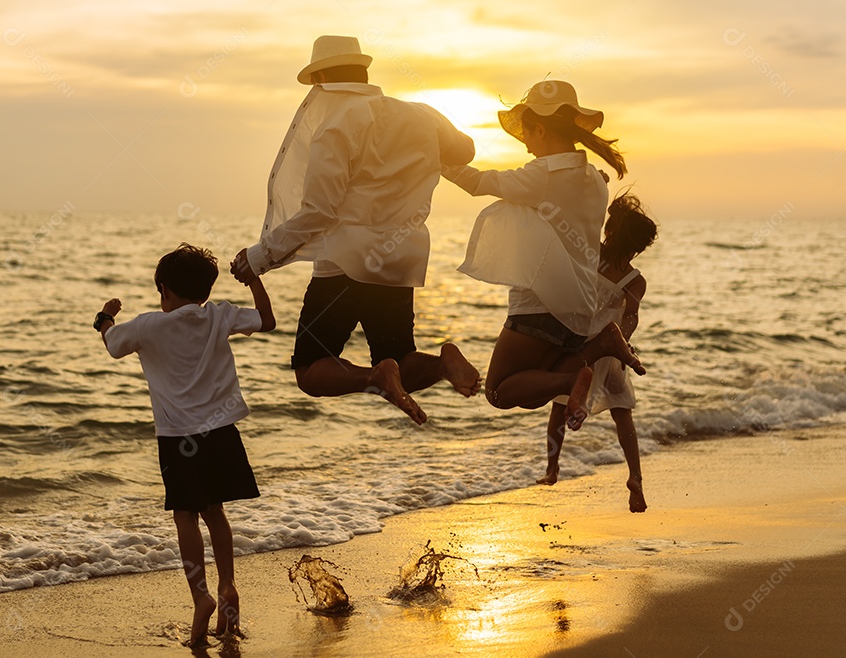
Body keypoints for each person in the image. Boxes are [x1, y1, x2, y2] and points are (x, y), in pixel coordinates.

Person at [230, 35, 480, 425]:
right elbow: (465, 151)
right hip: (399, 260)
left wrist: (260, 256)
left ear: (324, 78)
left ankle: (374, 377)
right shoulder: (421, 114)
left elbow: (319, 212)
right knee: (401, 358)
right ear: (363, 72)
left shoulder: (334, 125)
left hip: (344, 265)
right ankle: (442, 366)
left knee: (311, 371)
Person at [94, 244, 276, 647]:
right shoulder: (219, 314)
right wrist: (253, 279)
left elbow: (111, 344)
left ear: (164, 289)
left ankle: (201, 597)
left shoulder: (146, 326)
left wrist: (105, 318)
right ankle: (228, 586)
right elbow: (267, 320)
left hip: (178, 439)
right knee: (216, 513)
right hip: (222, 432)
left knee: (185, 516)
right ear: (205, 290)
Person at [442, 80, 644, 429]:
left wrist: (434, 158)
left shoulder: (542, 174)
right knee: (533, 394)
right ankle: (600, 345)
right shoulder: (595, 179)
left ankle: (576, 375)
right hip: (580, 308)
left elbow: (477, 183)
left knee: (499, 392)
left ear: (540, 128)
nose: (527, 148)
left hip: (540, 303)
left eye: (527, 137)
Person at [536, 193, 658, 514]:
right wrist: (625, 341)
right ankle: (635, 478)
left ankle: (552, 467)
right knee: (623, 413)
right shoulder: (635, 279)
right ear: (637, 246)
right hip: (612, 348)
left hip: (581, 342)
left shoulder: (591, 254)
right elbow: (631, 315)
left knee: (560, 404)